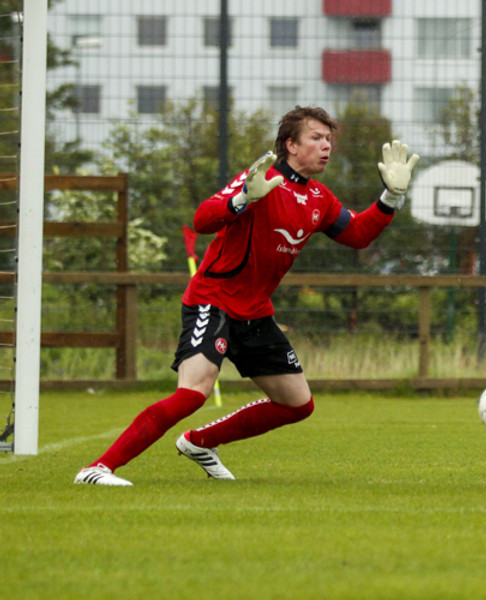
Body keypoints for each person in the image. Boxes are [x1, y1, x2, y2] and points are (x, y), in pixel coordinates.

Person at [74, 106, 419, 486]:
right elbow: (203, 219)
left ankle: (200, 442)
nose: (327, 146)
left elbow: (358, 234)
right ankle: (97, 469)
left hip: (254, 312)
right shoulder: (263, 179)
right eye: (316, 138)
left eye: (329, 139)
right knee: (193, 394)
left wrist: (390, 197)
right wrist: (241, 199)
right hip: (213, 300)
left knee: (297, 404)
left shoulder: (319, 197)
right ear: (291, 145)